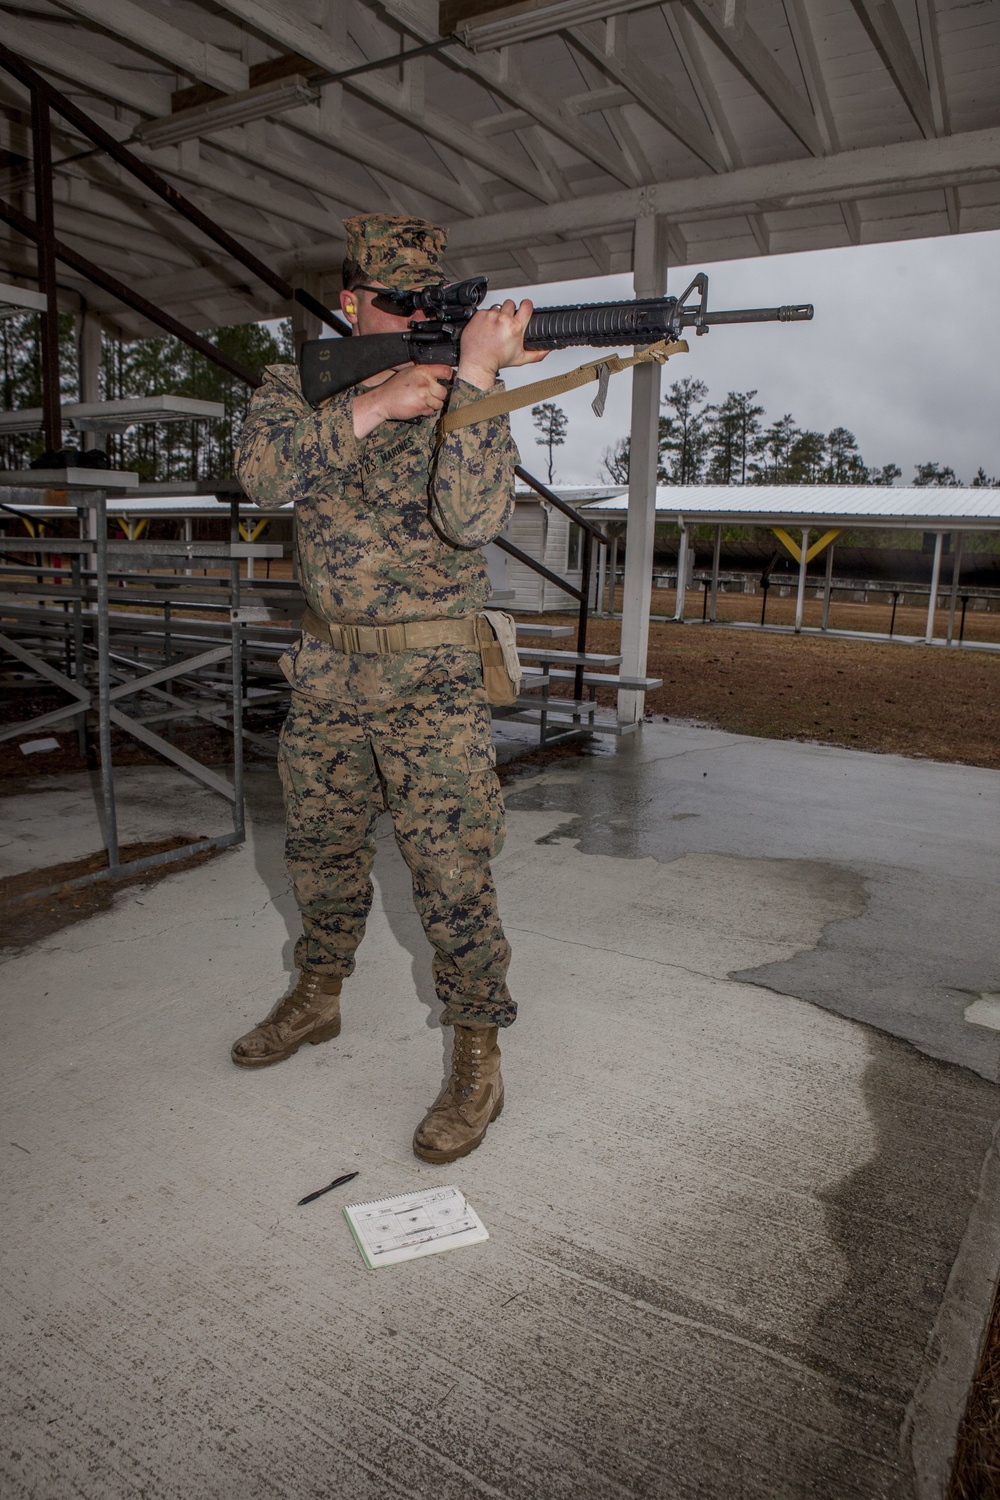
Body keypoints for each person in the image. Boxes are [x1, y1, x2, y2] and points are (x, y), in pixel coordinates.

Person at [230, 214, 546, 1165]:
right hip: (327, 673)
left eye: (428, 301)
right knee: (321, 855)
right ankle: (319, 995)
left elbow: (473, 516)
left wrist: (471, 385)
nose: (413, 313)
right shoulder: (297, 384)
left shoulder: (463, 389)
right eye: (394, 299)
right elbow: (259, 476)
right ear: (350, 303)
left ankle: (478, 1056)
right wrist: (377, 404)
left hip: (433, 684)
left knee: (453, 876)